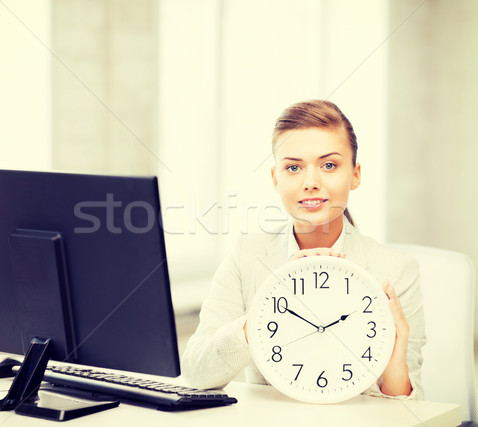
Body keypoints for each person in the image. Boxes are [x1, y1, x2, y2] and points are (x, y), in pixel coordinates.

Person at [181, 99, 426, 399]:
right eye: (294, 167)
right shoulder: (248, 255)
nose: (311, 182)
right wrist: (263, 311)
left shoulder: (397, 271)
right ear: (276, 178)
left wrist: (394, 366)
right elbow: (196, 373)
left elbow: (410, 412)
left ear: (355, 174)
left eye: (329, 165)